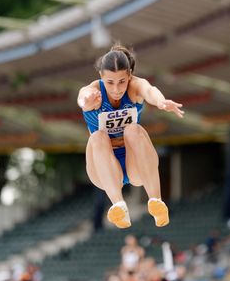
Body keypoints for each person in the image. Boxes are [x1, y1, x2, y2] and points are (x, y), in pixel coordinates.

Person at [77, 43, 184, 228]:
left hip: (134, 163)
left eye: (122, 82)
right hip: (104, 169)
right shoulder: (94, 91)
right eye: (110, 82)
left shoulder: (135, 87)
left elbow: (149, 90)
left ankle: (156, 201)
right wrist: (86, 102)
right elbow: (82, 97)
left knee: (133, 130)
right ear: (101, 77)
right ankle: (118, 205)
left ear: (129, 76)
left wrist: (161, 102)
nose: (117, 89)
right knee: (97, 137)